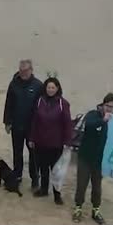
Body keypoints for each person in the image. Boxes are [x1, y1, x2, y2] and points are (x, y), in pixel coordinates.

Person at [73, 93, 113, 225]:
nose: (109, 109)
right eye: (107, 106)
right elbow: (89, 125)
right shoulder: (93, 114)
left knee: (97, 187)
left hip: (99, 161)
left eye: (112, 107)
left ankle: (96, 210)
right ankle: (78, 208)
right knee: (81, 184)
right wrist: (103, 120)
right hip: (85, 157)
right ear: (103, 105)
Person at [29, 77, 72, 205]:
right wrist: (31, 138)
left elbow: (67, 124)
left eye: (53, 87)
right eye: (48, 87)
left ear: (57, 88)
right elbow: (34, 121)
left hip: (56, 143)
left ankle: (57, 194)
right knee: (43, 168)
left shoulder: (63, 103)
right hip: (41, 141)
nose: (50, 90)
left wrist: (67, 141)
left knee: (56, 170)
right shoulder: (39, 101)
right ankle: (43, 189)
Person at [3, 59, 44, 189]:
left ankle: (34, 178)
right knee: (17, 152)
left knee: (33, 154)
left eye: (25, 70)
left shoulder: (38, 85)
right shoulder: (14, 84)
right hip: (16, 124)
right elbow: (8, 103)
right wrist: (7, 121)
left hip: (32, 127)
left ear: (31, 70)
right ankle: (18, 175)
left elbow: (42, 107)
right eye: (21, 70)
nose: (23, 73)